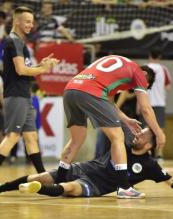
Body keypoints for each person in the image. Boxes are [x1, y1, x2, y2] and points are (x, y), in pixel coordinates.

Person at [0, 125, 173, 199]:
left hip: (96, 186)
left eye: (143, 134)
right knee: (39, 175)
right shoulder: (120, 143)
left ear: (150, 144)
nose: (138, 134)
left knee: (69, 189)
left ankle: (39, 189)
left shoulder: (150, 166)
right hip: (83, 168)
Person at [56, 55, 166, 199]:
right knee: (118, 137)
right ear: (145, 75)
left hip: (71, 89)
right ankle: (124, 187)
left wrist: (126, 120)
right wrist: (159, 133)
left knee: (77, 139)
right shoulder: (139, 73)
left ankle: (59, 179)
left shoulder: (119, 67)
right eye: (142, 86)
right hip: (90, 92)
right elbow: (145, 108)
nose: (134, 89)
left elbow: (109, 102)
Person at [0, 6, 59, 187]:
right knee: (13, 136)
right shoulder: (14, 41)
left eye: (32, 22)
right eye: (28, 21)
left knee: (31, 138)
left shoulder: (20, 43)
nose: (31, 25)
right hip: (16, 96)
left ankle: (43, 178)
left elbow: (26, 71)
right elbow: (21, 70)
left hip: (24, 95)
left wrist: (41, 65)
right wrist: (43, 69)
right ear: (17, 21)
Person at [146, 48, 171, 160]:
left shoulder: (144, 68)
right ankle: (159, 154)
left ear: (149, 55)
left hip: (146, 102)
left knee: (146, 128)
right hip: (160, 103)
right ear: (160, 57)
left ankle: (146, 153)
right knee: (160, 128)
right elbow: (168, 87)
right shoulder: (163, 69)